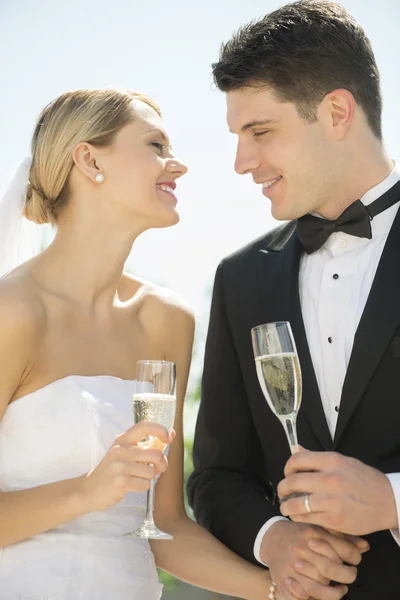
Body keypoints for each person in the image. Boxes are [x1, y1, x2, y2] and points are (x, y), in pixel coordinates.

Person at [0, 88, 274, 600]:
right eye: (155, 144)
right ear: (89, 159)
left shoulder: (167, 320)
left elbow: (164, 527)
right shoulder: (11, 312)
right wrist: (86, 492)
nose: (179, 165)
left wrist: (281, 590)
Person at [187, 2, 400, 599]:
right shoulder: (240, 279)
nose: (241, 163)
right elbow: (216, 477)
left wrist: (391, 500)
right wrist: (272, 539)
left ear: (336, 112)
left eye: (260, 132)